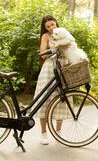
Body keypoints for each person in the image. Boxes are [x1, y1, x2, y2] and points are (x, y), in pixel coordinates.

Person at [34, 15, 68, 145]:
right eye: (47, 26)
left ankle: (58, 132)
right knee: (44, 100)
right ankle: (44, 133)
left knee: (62, 97)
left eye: (52, 24)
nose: (50, 28)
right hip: (49, 68)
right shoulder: (45, 36)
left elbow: (70, 47)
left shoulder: (63, 32)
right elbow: (42, 53)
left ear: (56, 23)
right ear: (44, 28)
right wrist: (54, 48)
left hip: (63, 66)